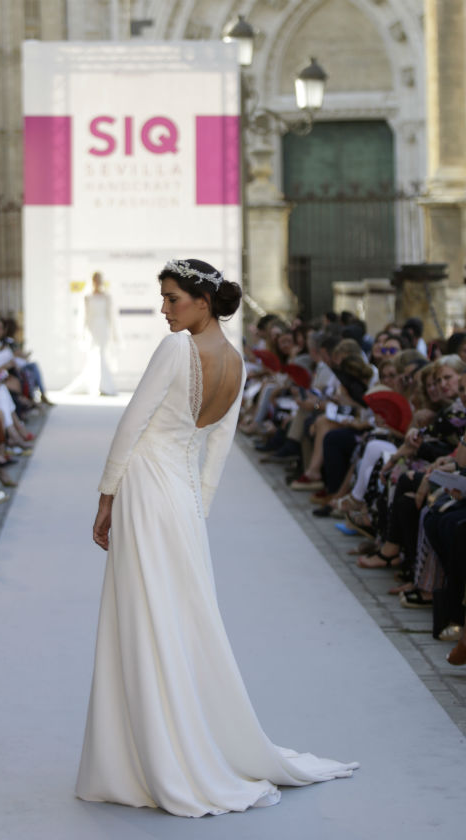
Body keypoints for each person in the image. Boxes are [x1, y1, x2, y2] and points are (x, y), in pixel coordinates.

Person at [76, 258, 358, 817]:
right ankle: (166, 744)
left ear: (203, 302)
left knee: (143, 614)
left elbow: (132, 422)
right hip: (179, 497)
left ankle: (149, 756)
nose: (164, 309)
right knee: (177, 615)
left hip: (147, 486)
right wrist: (197, 507)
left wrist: (107, 495)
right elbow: (218, 446)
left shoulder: (177, 350)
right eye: (162, 298)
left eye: (172, 298)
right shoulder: (237, 362)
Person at [65, 271, 118, 396]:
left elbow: (111, 316)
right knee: (95, 355)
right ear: (93, 281)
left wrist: (113, 333)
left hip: (103, 328)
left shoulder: (107, 297)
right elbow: (84, 316)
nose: (98, 282)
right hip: (92, 329)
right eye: (96, 280)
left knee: (101, 354)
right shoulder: (87, 297)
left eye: (99, 279)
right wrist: (83, 332)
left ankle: (103, 386)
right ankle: (98, 385)